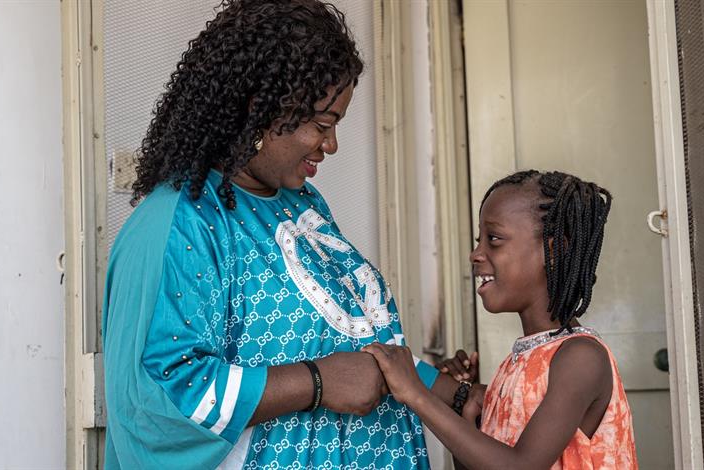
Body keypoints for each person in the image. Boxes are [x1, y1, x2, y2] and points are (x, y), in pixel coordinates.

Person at [101, 1, 461, 468]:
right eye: (321, 124)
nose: (330, 145)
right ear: (261, 108)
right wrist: (315, 382)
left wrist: (456, 395)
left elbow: (349, 349)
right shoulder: (181, 221)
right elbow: (165, 392)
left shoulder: (303, 205)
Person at [364, 170, 638, 469]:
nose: (475, 254)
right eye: (479, 240)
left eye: (493, 239)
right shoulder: (514, 365)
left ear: (554, 249)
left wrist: (416, 394)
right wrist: (463, 414)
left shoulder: (581, 357)